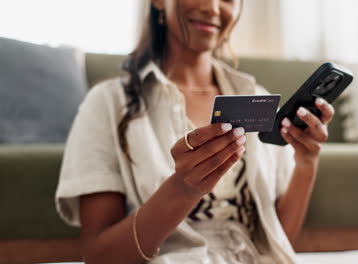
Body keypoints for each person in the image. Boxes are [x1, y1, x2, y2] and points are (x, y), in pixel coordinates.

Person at [55, 0, 335, 263]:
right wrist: (182, 189)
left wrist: (306, 162)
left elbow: (278, 241)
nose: (213, 7)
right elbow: (100, 257)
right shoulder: (107, 103)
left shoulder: (255, 97)